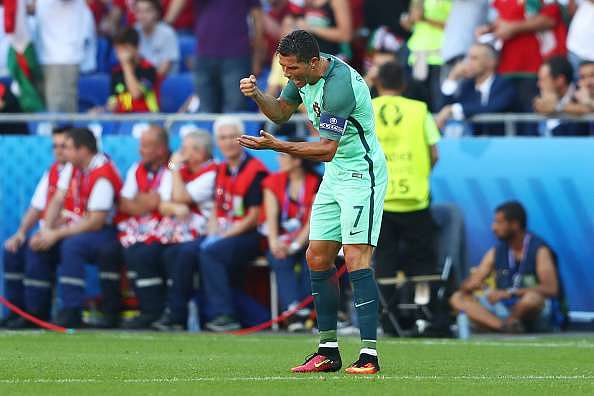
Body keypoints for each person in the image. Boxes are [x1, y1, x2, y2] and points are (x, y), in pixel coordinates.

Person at [239, 30, 387, 374]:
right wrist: (259, 95)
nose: (286, 75)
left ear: (312, 62)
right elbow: (280, 113)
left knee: (355, 257)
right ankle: (328, 351)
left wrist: (278, 147)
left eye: (291, 69)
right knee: (317, 256)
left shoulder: (338, 87)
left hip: (360, 173)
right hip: (336, 175)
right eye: (283, 68)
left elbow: (326, 149)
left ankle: (369, 355)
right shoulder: (303, 75)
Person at [30, 128, 122, 328]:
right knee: (38, 245)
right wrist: (46, 230)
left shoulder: (102, 172)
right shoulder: (73, 167)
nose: (63, 152)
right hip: (78, 226)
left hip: (104, 232)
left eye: (68, 148)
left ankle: (72, 311)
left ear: (83, 150)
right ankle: (36, 313)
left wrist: (56, 234)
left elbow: (96, 221)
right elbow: (57, 199)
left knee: (72, 247)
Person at [371, 61, 440, 318]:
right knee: (422, 262)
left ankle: (389, 318)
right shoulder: (420, 110)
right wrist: (420, 173)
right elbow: (434, 153)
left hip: (382, 198)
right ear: (403, 84)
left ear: (378, 83)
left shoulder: (367, 109)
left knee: (385, 262)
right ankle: (427, 315)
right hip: (415, 197)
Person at [198, 116, 268, 332]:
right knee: (190, 251)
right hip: (227, 231)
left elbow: (254, 216)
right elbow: (217, 207)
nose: (227, 142)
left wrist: (223, 236)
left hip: (251, 235)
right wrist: (212, 232)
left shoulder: (255, 170)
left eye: (232, 137)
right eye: (222, 138)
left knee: (211, 253)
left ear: (241, 139)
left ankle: (224, 315)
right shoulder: (220, 169)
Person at [450, 201, 561, 333]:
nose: (493, 228)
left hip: (534, 312)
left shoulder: (539, 250)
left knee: (532, 298)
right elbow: (473, 281)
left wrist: (509, 293)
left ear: (514, 224)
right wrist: (470, 285)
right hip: (503, 308)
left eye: (498, 222)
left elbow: (551, 288)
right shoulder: (496, 251)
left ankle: (509, 322)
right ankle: (504, 327)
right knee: (457, 298)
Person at [1, 125, 72, 328]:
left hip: (63, 233)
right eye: (55, 146)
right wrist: (20, 233)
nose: (59, 150)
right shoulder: (52, 172)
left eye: (64, 146)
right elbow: (36, 207)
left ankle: (36, 314)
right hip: (46, 231)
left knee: (36, 251)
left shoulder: (75, 172)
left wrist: (46, 232)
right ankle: (16, 311)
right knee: (13, 250)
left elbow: (73, 212)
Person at [152, 129, 217, 331]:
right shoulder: (176, 169)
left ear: (199, 153)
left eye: (185, 149)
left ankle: (177, 314)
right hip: (177, 229)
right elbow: (162, 204)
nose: (181, 153)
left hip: (204, 231)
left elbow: (180, 198)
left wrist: (174, 170)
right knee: (145, 252)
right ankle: (154, 310)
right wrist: (173, 206)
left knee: (180, 254)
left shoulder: (212, 171)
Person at [107, 124, 171, 329]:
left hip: (168, 230)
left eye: (145, 146)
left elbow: (160, 203)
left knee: (141, 254)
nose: (139, 151)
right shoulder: (137, 168)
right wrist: (146, 202)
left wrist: (144, 201)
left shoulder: (174, 166)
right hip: (138, 229)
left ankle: (151, 311)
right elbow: (124, 203)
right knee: (106, 252)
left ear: (160, 149)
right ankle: (111, 312)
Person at [262, 146, 321, 332]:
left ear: (297, 160)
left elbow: (313, 221)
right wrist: (274, 244)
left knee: (312, 259)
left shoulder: (316, 182)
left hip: (309, 239)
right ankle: (292, 310)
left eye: (282, 155)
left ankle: (304, 310)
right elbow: (270, 217)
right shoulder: (272, 182)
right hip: (281, 240)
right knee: (279, 259)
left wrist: (295, 246)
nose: (279, 159)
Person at [193, 0, 265, 113]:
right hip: (204, 54)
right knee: (206, 111)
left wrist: (257, 57)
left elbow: (257, 17)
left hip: (236, 56)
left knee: (234, 111)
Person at [436, 43, 516, 136]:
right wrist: (452, 77)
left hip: (503, 142)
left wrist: (453, 109)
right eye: (468, 58)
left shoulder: (504, 84)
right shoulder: (467, 86)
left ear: (491, 62)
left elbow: (490, 108)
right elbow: (444, 108)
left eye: (474, 58)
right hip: (474, 142)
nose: (468, 63)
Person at [34, 0, 96, 112]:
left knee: (62, 113)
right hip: (45, 54)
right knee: (49, 109)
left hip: (64, 56)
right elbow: (32, 8)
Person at [400, 0, 452, 112]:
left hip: (437, 56)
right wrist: (409, 20)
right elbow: (412, 25)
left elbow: (452, 25)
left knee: (436, 99)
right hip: (417, 55)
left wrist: (425, 18)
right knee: (416, 97)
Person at [533, 56, 590, 136]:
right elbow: (539, 105)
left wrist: (557, 107)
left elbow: (587, 108)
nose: (538, 84)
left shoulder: (581, 93)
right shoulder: (544, 98)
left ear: (560, 80)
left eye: (543, 79)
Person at [108, 27, 159, 113]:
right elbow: (113, 102)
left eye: (125, 48)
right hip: (123, 118)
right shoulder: (116, 72)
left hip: (146, 116)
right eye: (118, 50)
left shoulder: (149, 69)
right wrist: (105, 108)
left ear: (137, 48)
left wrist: (126, 65)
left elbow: (136, 94)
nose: (121, 53)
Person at [134, 0, 180, 77]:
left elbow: (165, 68)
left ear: (156, 13)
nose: (142, 16)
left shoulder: (167, 33)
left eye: (147, 11)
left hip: (163, 81)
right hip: (141, 80)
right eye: (139, 11)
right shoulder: (134, 31)